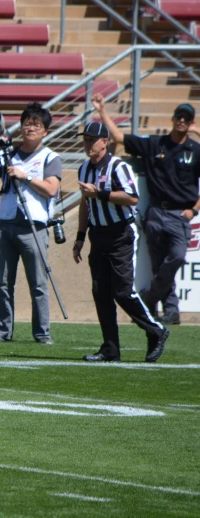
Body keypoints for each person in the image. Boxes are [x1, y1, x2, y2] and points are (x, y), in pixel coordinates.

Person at [94, 95, 200, 326]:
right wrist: (102, 110)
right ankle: (170, 310)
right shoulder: (155, 143)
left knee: (176, 258)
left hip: (181, 214)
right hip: (155, 212)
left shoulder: (195, 149)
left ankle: (150, 299)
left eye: (187, 118)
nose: (181, 120)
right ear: (172, 118)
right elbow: (120, 138)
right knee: (158, 264)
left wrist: (194, 210)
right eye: (179, 116)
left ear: (191, 122)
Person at [73, 122, 170, 363]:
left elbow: (132, 198)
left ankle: (156, 330)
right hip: (98, 234)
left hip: (120, 235)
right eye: (84, 140)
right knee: (100, 292)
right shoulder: (84, 168)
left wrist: (100, 194)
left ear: (105, 142)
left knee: (123, 291)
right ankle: (110, 349)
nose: (87, 144)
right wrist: (80, 236)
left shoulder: (118, 166)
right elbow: (85, 203)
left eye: (91, 140)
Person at [0, 103, 62, 345]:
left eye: (36, 125)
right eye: (27, 123)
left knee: (37, 283)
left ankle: (42, 333)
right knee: (4, 283)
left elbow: (51, 189)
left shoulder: (50, 157)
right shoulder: (9, 153)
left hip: (33, 226)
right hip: (5, 223)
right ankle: (2, 331)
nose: (30, 128)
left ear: (45, 131)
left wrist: (25, 176)